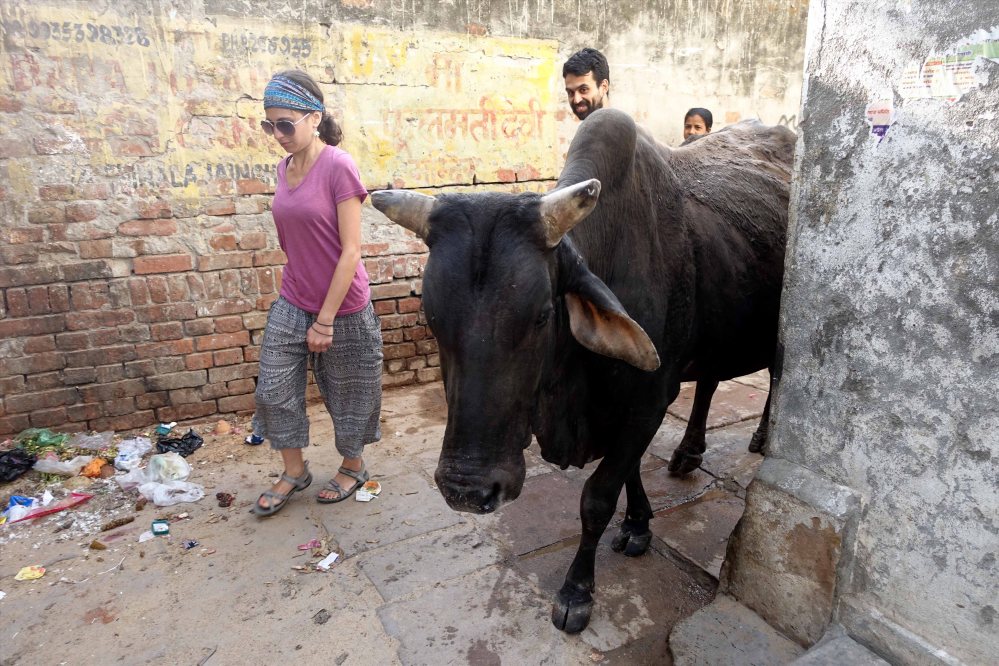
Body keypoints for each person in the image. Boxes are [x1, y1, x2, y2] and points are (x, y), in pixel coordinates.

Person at [251, 70, 383, 516]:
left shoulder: (338, 166)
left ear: (314, 117)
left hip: (342, 306)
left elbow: (351, 252)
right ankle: (294, 471)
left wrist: (325, 319)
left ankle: (352, 465)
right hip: (294, 298)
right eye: (270, 125)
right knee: (273, 387)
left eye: (286, 124)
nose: (278, 135)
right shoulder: (282, 168)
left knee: (349, 394)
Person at [562, 48, 610, 121]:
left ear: (604, 87)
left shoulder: (622, 131)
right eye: (570, 92)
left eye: (583, 90)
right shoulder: (586, 131)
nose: (576, 100)